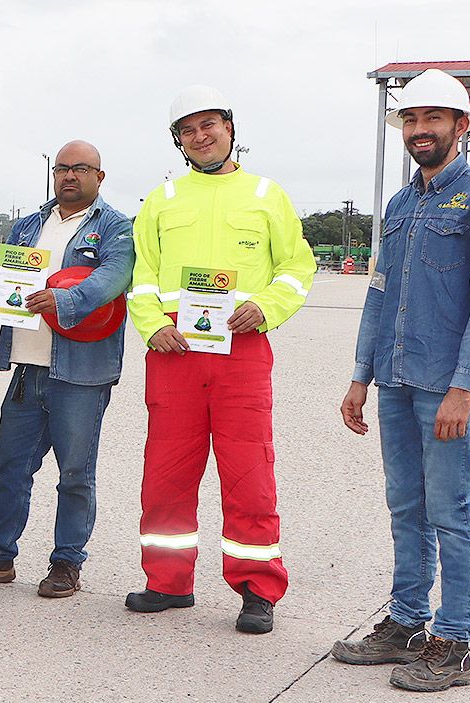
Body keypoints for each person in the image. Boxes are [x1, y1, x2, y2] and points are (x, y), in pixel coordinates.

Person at [333, 69, 470, 692]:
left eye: (432, 119)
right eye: (411, 120)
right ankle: (407, 621)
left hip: (446, 386)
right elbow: (379, 294)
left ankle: (454, 638)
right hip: (395, 381)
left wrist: (465, 388)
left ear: (460, 127)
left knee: (452, 509)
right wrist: (361, 375)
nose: (420, 130)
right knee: (406, 507)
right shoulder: (400, 205)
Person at [126, 85, 315, 634]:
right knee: (165, 473)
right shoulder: (161, 199)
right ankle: (167, 582)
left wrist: (267, 306)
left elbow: (296, 268)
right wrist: (154, 326)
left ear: (231, 128)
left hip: (242, 354)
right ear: (177, 141)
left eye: (210, 123)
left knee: (249, 472)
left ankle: (257, 588)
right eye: (188, 129)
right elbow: (142, 277)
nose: (200, 135)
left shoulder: (265, 194)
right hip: (174, 355)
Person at [0, 140, 135, 599]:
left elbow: (115, 276)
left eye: (80, 169)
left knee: (75, 473)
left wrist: (65, 300)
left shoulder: (115, 228)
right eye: (62, 169)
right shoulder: (28, 225)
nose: (69, 176)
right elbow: (5, 278)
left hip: (82, 374)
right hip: (27, 366)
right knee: (9, 467)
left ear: (99, 177)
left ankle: (67, 562)